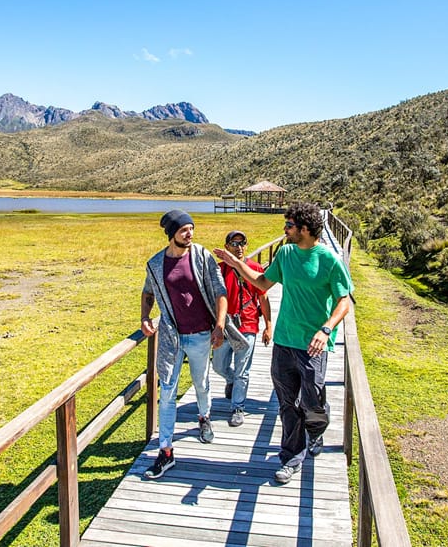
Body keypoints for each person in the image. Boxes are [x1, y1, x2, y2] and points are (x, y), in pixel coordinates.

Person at [214, 202, 353, 485]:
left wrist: (326, 329)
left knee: (312, 401)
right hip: (284, 342)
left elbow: (344, 300)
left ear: (304, 229)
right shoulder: (286, 253)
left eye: (288, 226)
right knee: (288, 404)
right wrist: (237, 263)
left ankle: (316, 429)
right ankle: (291, 457)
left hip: (313, 344)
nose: (284, 230)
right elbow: (264, 283)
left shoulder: (328, 260)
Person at [140, 209, 228, 479]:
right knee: (167, 391)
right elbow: (147, 292)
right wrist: (145, 318)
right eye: (183, 230)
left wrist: (220, 325)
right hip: (170, 337)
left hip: (201, 334)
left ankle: (204, 417)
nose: (189, 233)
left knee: (201, 383)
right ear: (171, 234)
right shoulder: (156, 264)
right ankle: (165, 451)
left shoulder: (201, 257)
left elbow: (220, 291)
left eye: (191, 228)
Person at [213, 230, 273, 427]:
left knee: (242, 370)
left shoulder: (254, 268)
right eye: (234, 243)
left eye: (242, 244)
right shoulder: (219, 269)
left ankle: (238, 407)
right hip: (226, 325)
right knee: (218, 366)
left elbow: (263, 298)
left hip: (247, 324)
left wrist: (268, 325)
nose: (238, 248)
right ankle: (230, 381)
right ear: (227, 247)